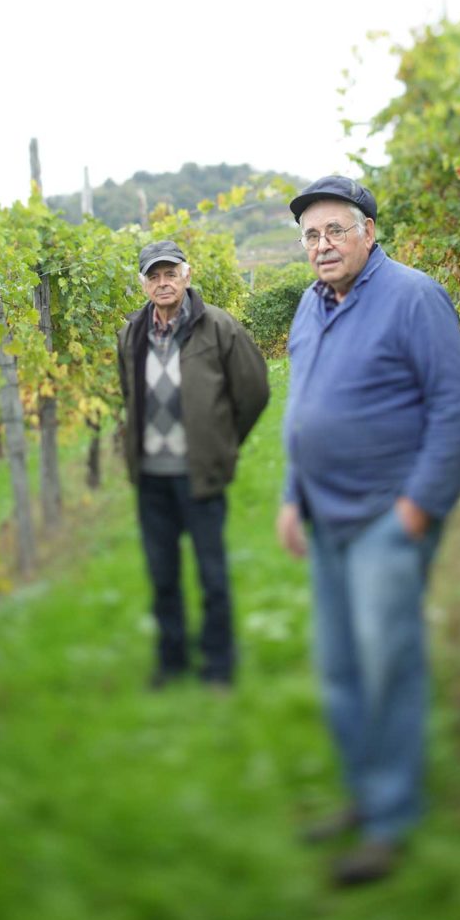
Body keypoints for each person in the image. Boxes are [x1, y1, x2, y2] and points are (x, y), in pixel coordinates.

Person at [277, 176, 460, 886]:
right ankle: (364, 796)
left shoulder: (412, 296)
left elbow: (456, 410)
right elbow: (301, 407)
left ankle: (391, 819)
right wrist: (288, 496)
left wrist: (417, 508)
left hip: (385, 517)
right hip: (325, 515)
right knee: (338, 669)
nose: (321, 245)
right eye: (310, 234)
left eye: (335, 229)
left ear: (368, 230)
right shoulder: (310, 304)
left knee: (387, 666)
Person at [118, 239, 269, 689]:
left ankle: (219, 666)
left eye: (170, 273)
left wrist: (223, 442)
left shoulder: (219, 327)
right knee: (162, 575)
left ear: (186, 275)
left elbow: (255, 390)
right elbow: (131, 396)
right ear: (144, 283)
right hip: (151, 478)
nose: (162, 283)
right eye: (154, 275)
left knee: (211, 573)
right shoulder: (131, 334)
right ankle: (171, 662)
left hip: (200, 472)